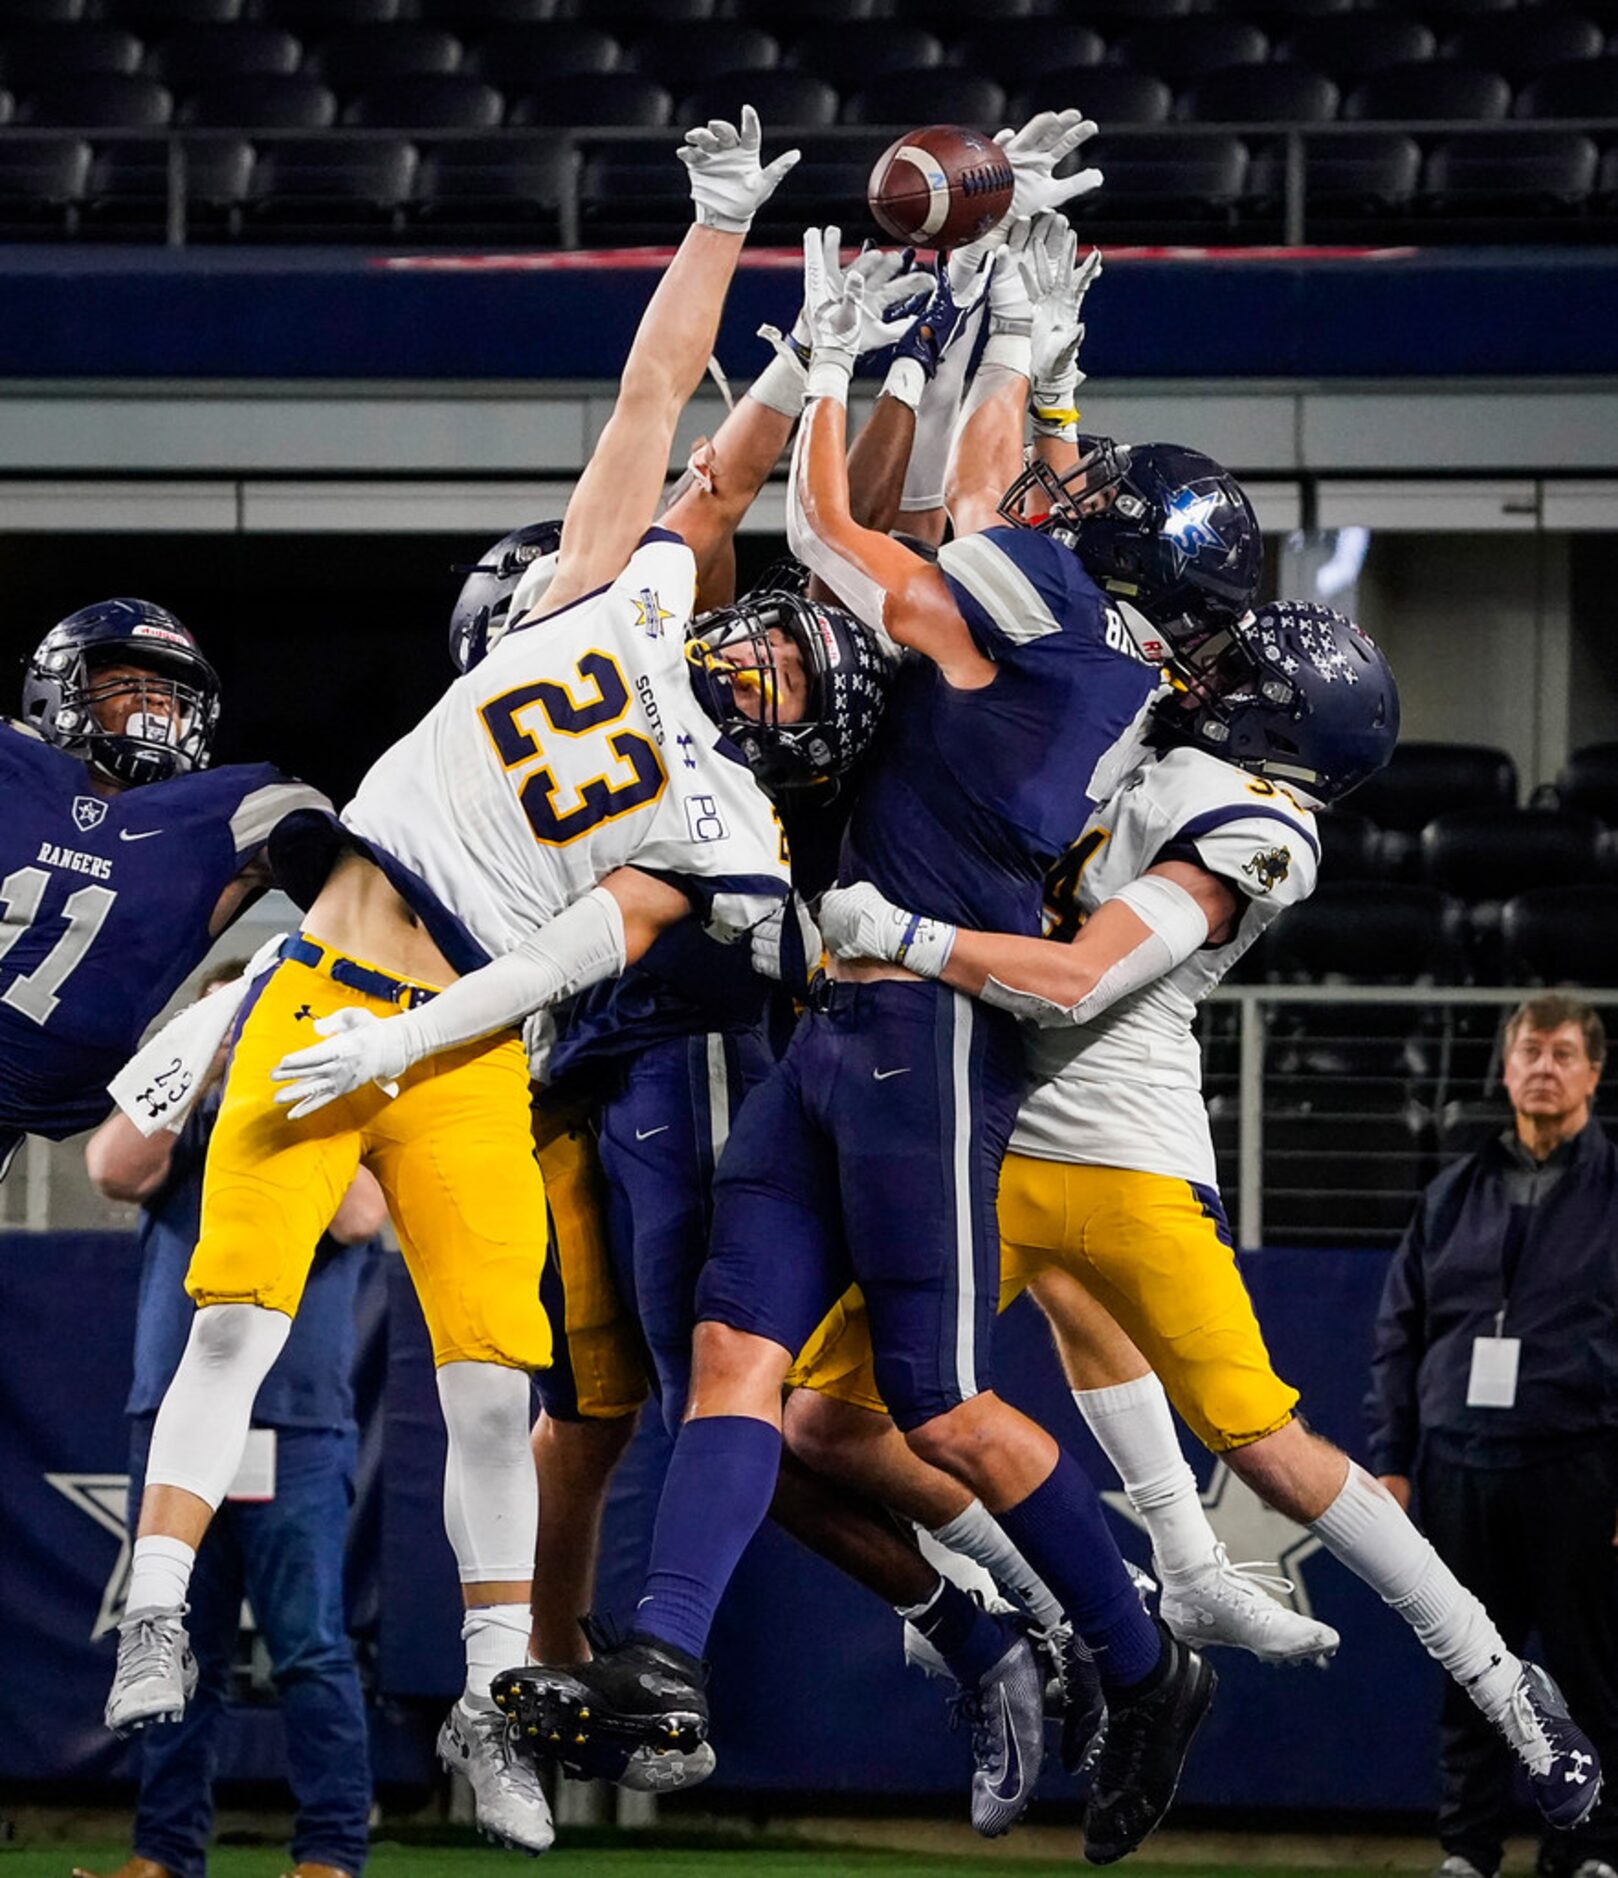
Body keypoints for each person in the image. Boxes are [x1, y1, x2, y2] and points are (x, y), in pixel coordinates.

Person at [102, 107, 887, 1860]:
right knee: (235, 1319)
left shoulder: (716, 815)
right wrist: (735, 271)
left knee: (483, 1385)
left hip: (447, 1036)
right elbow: (672, 426)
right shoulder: (613, 604)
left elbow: (558, 955)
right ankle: (156, 1602)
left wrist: (787, 361)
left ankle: (485, 1700)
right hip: (332, 982)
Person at [499, 215, 1269, 1865]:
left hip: (922, 1039)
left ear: (1113, 557)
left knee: (932, 1400)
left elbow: (851, 528)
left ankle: (1145, 1659)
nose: (1063, 502)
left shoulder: (1056, 633)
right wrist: (1003, 351)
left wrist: (863, 349)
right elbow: (982, 505)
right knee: (731, 1359)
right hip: (844, 1036)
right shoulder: (1083, 651)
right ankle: (663, 1648)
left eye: (1087, 505)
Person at [804, 602, 1602, 1842]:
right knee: (823, 1420)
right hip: (999, 1132)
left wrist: (899, 933)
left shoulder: (1259, 829)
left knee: (1265, 1440)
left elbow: (1078, 980)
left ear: (1273, 715)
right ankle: (1085, 1601)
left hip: (1128, 1155)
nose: (1199, 671)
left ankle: (1511, 1693)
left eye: (1230, 668)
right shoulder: (1140, 745)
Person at [81, 960, 386, 1878]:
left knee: (310, 1650)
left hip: (293, 1428)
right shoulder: (186, 1129)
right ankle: (164, 1855)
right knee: (174, 1646)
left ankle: (329, 1854)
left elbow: (362, 1215)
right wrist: (199, 1062)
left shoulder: (327, 1115)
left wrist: (288, 1089)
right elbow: (108, 1166)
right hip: (173, 1427)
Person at [1370, 994, 1618, 1878]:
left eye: (1562, 1052)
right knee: (1474, 1671)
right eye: (1529, 1051)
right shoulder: (1453, 1192)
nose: (1544, 1067)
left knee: (1590, 1673)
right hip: (1461, 1465)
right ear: (1506, 1069)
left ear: (1593, 1072)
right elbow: (1401, 1332)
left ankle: (1590, 1850)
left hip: (1580, 1464)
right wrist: (1394, 1462)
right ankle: (1468, 1851)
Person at [0, 599, 325, 1172]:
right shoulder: (12, 764)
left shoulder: (229, 814)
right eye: (123, 679)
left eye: (170, 691)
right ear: (55, 688)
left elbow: (365, 882)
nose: (152, 700)